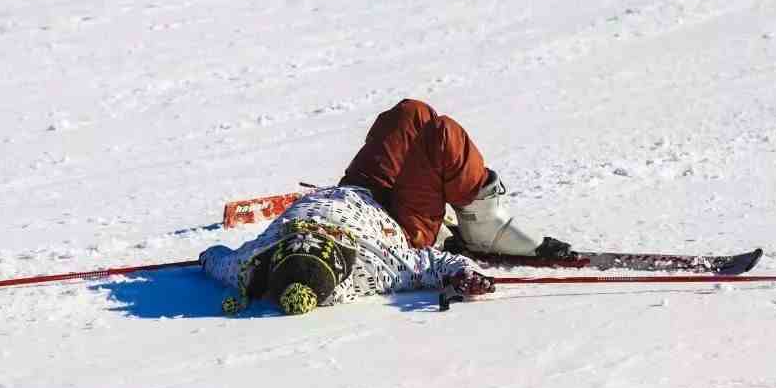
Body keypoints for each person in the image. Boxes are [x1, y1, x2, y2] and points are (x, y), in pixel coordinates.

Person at [201, 99, 570, 315]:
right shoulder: (371, 268)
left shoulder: (253, 263)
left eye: (299, 240)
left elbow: (217, 258)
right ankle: (485, 226)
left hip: (359, 190)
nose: (310, 235)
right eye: (321, 244)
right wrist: (462, 274)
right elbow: (431, 265)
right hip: (402, 221)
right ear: (339, 257)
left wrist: (207, 258)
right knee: (442, 136)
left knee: (410, 114)